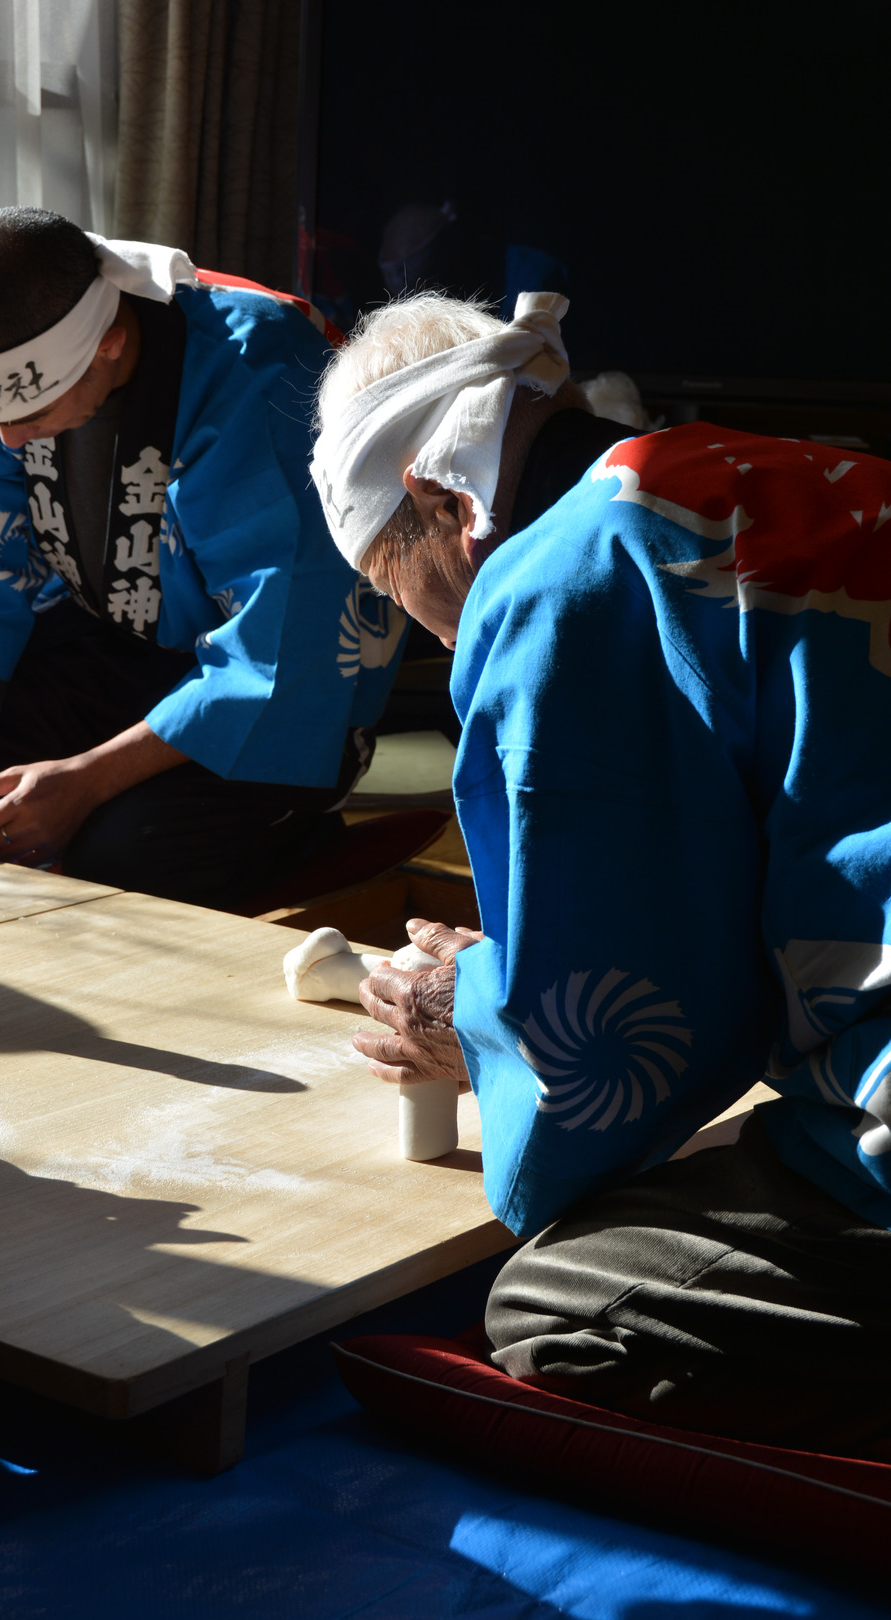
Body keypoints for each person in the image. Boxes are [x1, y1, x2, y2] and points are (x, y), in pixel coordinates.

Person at [308, 290, 891, 1458]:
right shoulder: (781, 478)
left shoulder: (567, 575)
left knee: (562, 1302)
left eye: (394, 588)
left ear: (433, 500)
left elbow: (640, 1021)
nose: (431, 634)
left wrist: (467, 1010)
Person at [0, 209, 405, 908]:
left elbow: (281, 645)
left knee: (120, 857)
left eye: (29, 414)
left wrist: (83, 780)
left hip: (286, 689)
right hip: (112, 643)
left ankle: (294, 835)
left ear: (111, 344)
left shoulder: (261, 371)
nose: (3, 438)